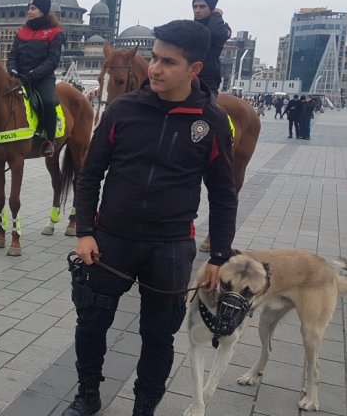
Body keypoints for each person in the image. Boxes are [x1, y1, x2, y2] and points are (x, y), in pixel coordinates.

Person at [65, 20, 238, 416]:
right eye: (154, 58)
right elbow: (90, 174)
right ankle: (87, 395)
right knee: (91, 323)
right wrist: (86, 231)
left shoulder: (210, 122)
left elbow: (224, 193)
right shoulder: (122, 110)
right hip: (110, 240)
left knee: (158, 337)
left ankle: (144, 407)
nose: (155, 69)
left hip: (170, 246)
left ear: (194, 69)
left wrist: (219, 256)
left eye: (168, 62)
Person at [6, 0, 64, 157]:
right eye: (29, 8)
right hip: (20, 77)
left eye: (33, 8)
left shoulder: (55, 33)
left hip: (43, 78)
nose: (29, 12)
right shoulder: (22, 33)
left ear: (43, 10)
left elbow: (52, 60)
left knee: (47, 101)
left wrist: (32, 75)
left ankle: (49, 140)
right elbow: (13, 56)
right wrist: (13, 70)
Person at [192, 0, 231, 94]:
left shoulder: (220, 27)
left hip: (208, 81)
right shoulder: (190, 27)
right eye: (195, 7)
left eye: (202, 7)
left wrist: (216, 16)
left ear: (212, 8)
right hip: (188, 76)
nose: (197, 10)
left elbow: (214, 33)